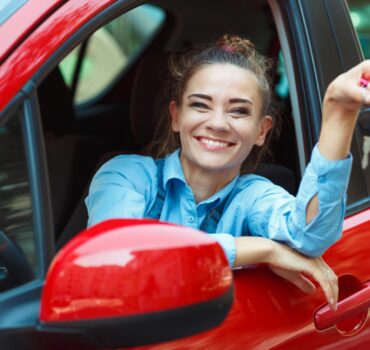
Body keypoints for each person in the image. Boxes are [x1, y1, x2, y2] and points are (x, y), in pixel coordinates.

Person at [85, 34, 370, 311]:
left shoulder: (253, 195)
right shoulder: (124, 175)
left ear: (261, 130)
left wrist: (338, 113)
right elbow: (114, 260)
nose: (218, 123)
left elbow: (310, 235)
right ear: (176, 116)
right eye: (200, 105)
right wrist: (262, 249)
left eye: (238, 111)